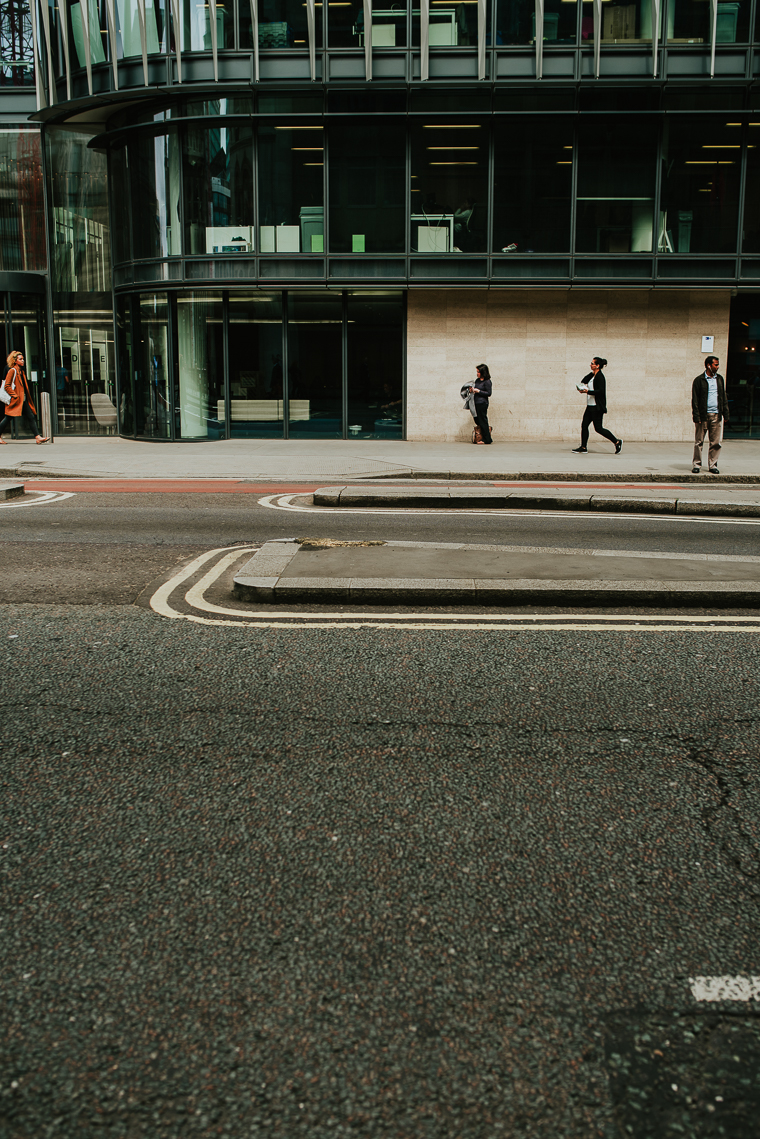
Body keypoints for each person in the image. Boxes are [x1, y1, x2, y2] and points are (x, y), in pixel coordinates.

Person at [572, 356, 622, 455]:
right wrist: (591, 374)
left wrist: (588, 391)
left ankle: (616, 441)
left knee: (598, 428)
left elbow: (601, 392)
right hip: (590, 406)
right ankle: (583, 447)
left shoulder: (600, 377)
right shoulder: (593, 376)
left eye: (592, 363)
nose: (590, 365)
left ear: (597, 366)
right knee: (584, 425)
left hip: (597, 407)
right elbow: (584, 380)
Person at [0, 350, 48, 444]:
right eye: (20, 359)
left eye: (23, 359)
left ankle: (38, 437)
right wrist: (15, 396)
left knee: (30, 416)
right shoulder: (12, 371)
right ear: (15, 361)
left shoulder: (21, 371)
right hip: (16, 400)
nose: (23, 360)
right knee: (8, 418)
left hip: (22, 399)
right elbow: (7, 386)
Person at [692, 354, 728, 474]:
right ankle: (696, 464)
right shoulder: (699, 380)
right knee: (699, 442)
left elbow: (723, 397)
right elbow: (695, 399)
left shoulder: (719, 379)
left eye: (718, 365)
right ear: (708, 365)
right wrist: (696, 416)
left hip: (716, 415)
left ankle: (713, 465)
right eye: (715, 365)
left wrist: (725, 414)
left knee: (715, 443)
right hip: (703, 416)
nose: (717, 367)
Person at [469, 364, 492, 444]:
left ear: (483, 372)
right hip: (476, 402)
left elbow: (489, 393)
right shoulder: (477, 380)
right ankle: (485, 434)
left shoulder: (487, 381)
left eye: (478, 372)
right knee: (478, 420)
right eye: (477, 372)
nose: (477, 373)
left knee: (483, 421)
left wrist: (478, 391)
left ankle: (487, 439)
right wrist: (472, 390)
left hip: (482, 403)